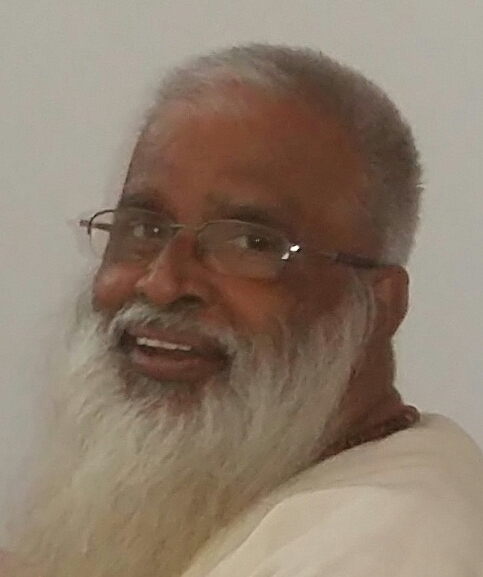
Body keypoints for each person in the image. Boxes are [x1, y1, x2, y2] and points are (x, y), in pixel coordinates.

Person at [5, 44, 483, 577]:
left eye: (249, 243)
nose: (162, 283)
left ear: (379, 305)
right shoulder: (245, 486)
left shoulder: (386, 548)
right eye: (143, 229)